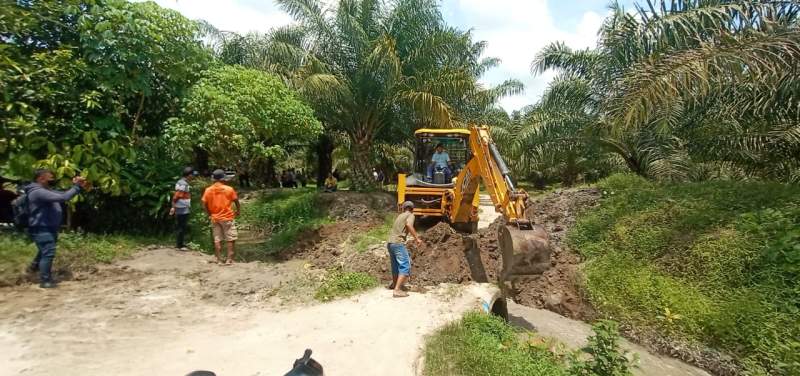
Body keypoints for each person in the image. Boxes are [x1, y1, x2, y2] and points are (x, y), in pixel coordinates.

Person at [25, 169, 87, 288]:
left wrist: (74, 186)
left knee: (44, 251)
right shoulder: (38, 192)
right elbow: (64, 197)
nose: (53, 180)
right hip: (42, 227)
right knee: (48, 252)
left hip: (48, 227)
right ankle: (45, 281)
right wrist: (77, 187)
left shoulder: (46, 190)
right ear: (41, 179)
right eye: (50, 178)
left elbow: (62, 194)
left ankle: (31, 270)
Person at [201, 169, 241, 265]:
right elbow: (236, 201)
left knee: (217, 239)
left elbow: (203, 204)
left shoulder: (208, 190)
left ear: (214, 179)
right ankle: (229, 259)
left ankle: (219, 260)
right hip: (227, 218)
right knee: (230, 238)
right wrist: (238, 211)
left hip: (215, 218)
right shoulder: (229, 189)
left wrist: (209, 214)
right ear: (223, 178)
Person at [386, 201, 423, 297]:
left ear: (403, 208)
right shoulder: (410, 215)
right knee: (405, 265)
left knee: (395, 266)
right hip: (398, 243)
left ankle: (395, 284)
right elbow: (409, 225)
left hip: (390, 243)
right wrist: (417, 238)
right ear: (412, 209)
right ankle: (397, 290)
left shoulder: (400, 215)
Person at [169, 167, 197, 251]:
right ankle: (179, 245)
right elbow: (177, 196)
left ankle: (180, 243)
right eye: (192, 175)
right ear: (189, 175)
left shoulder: (181, 182)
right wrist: (173, 206)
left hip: (181, 207)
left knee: (181, 226)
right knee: (181, 226)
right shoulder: (183, 184)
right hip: (182, 208)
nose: (193, 177)